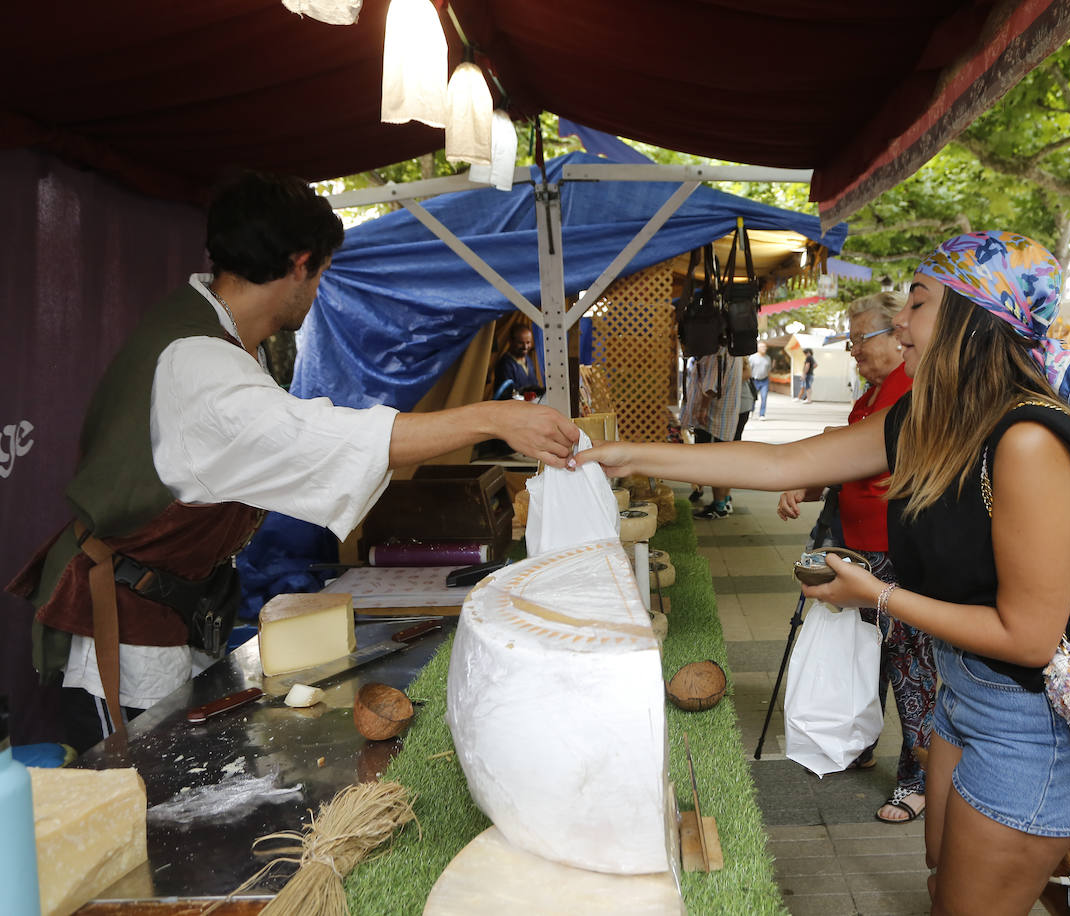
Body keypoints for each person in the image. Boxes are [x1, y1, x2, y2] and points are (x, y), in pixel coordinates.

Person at [577, 231, 1070, 914]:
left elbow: (1031, 637)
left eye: (918, 304)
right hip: (966, 691)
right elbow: (786, 464)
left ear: (973, 318)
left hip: (1033, 718)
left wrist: (881, 595)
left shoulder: (1026, 440)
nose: (899, 324)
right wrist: (629, 455)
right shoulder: (935, 417)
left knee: (969, 904)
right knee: (939, 875)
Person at [7, 170, 581, 753]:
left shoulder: (212, 334)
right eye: (323, 273)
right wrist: (492, 417)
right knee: (135, 805)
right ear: (301, 262)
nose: (319, 290)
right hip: (128, 641)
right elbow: (321, 439)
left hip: (174, 616)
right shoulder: (200, 366)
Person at [777, 291, 936, 824]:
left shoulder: (912, 390)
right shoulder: (870, 395)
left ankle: (917, 779)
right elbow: (851, 461)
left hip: (903, 551)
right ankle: (865, 739)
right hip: (863, 546)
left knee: (907, 662)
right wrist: (812, 482)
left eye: (860, 338)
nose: (853, 349)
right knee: (870, 653)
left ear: (896, 336)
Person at [682, 347, 749, 520]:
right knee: (725, 461)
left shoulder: (717, 352)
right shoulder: (733, 351)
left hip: (714, 418)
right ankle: (724, 501)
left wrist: (701, 410)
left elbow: (711, 387)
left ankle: (719, 507)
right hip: (726, 415)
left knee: (715, 464)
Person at [492, 324, 545, 401]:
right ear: (511, 341)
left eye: (528, 342)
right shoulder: (505, 365)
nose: (525, 347)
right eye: (521, 343)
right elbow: (507, 396)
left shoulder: (528, 361)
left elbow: (534, 387)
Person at [747, 341, 772, 418]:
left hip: (764, 380)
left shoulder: (768, 358)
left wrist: (769, 380)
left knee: (764, 398)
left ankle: (762, 414)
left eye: (765, 347)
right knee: (753, 397)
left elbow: (769, 370)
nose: (764, 348)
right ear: (758, 348)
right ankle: (751, 409)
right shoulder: (752, 357)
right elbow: (748, 369)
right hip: (754, 380)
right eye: (762, 347)